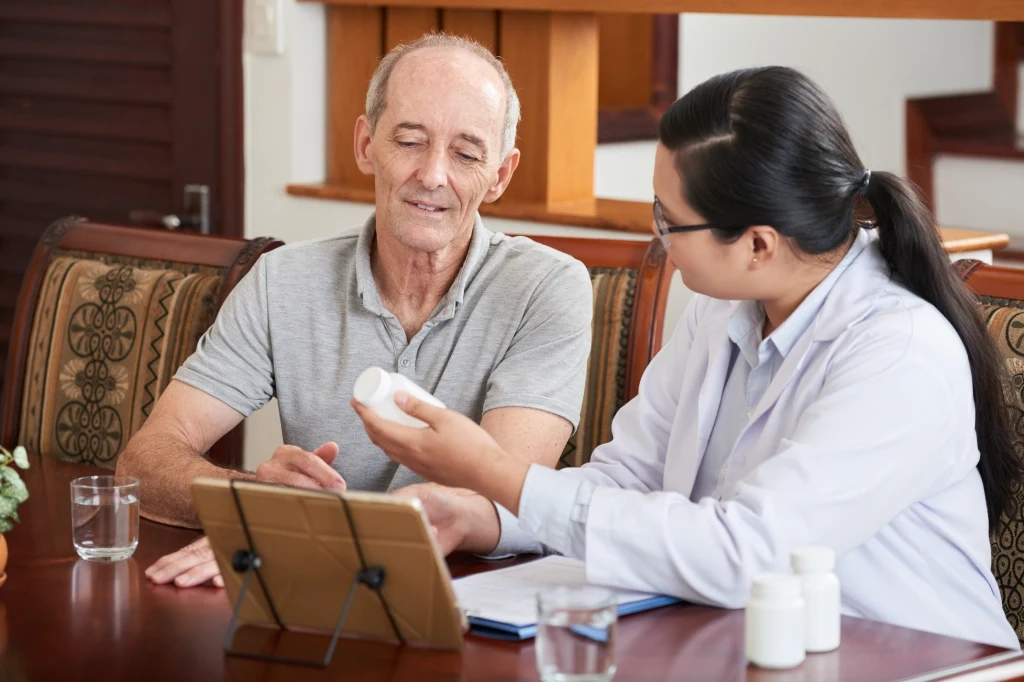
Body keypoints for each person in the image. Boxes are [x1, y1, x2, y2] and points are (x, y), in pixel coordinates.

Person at [353, 66, 1022, 649]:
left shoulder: (898, 351)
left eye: (669, 220)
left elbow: (748, 555)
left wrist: (495, 471)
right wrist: (486, 515)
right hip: (745, 648)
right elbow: (628, 479)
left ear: (758, 243)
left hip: (921, 661)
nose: (659, 235)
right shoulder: (725, 305)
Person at [118, 34, 593, 588]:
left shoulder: (549, 286)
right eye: (410, 141)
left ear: (500, 175)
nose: (434, 175)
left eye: (466, 154)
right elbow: (145, 461)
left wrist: (302, 526)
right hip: (309, 593)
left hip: (471, 604)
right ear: (366, 145)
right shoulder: (281, 281)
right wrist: (257, 500)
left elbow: (502, 492)